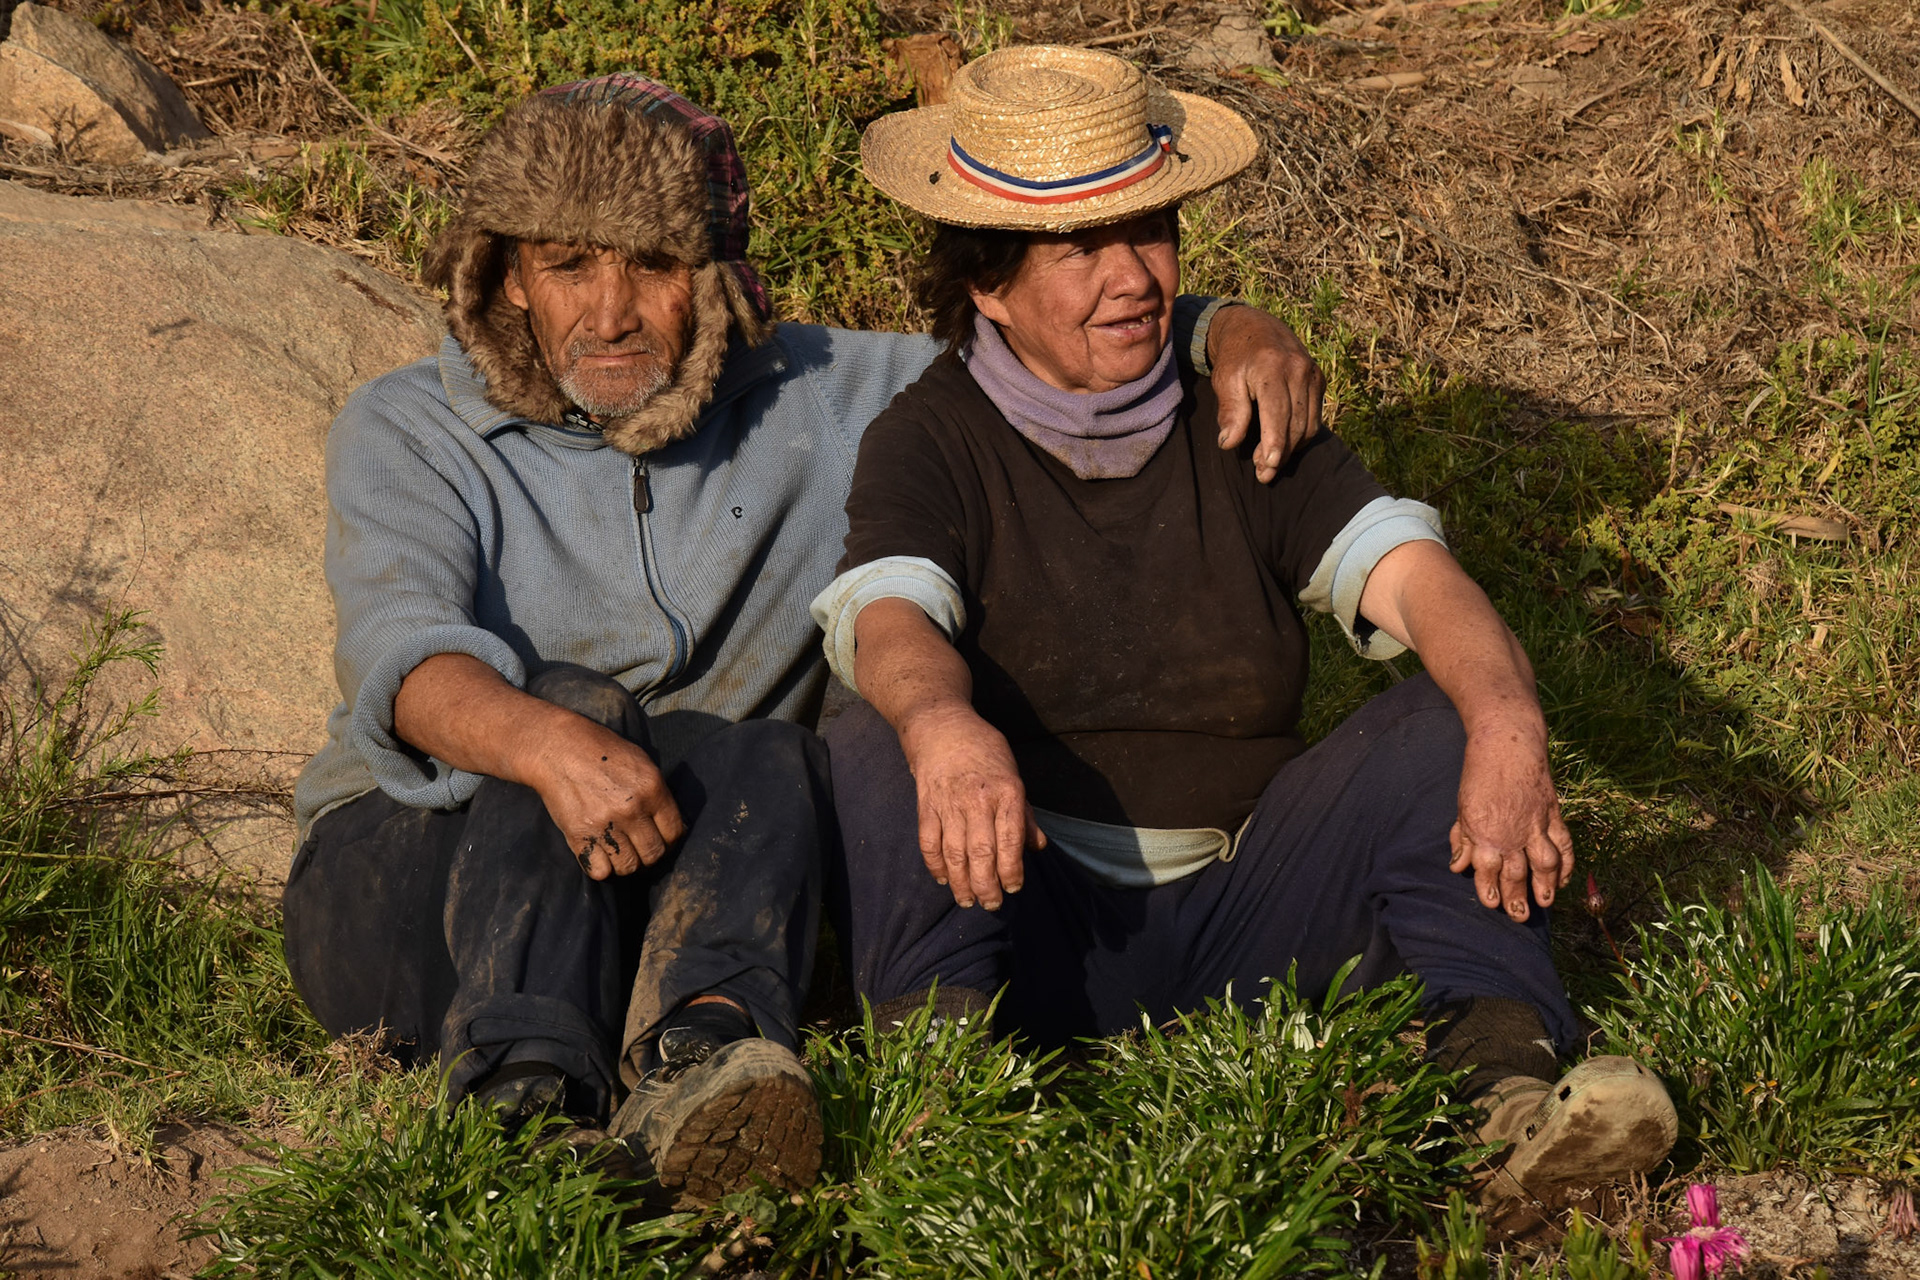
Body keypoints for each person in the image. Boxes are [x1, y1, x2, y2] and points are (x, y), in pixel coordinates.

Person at [280, 70, 1326, 1205]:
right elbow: (407, 658)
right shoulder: (410, 427)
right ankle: (525, 1100)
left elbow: (1044, 340)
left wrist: (1225, 327)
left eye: (655, 265)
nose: (611, 312)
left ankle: (707, 1063)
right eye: (569, 265)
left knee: (773, 748)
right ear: (510, 276)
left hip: (673, 876)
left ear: (716, 278)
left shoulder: (824, 394)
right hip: (416, 889)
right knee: (570, 705)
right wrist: (547, 744)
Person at [814, 44, 1679, 1218]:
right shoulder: (930, 439)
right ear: (989, 283)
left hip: (1255, 900)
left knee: (1448, 718)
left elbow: (1415, 578)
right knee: (878, 725)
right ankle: (949, 1103)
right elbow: (891, 613)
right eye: (1082, 250)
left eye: (1151, 233)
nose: (1134, 278)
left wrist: (1509, 720)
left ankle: (1501, 1095)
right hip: (1032, 913)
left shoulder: (1242, 407)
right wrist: (941, 723)